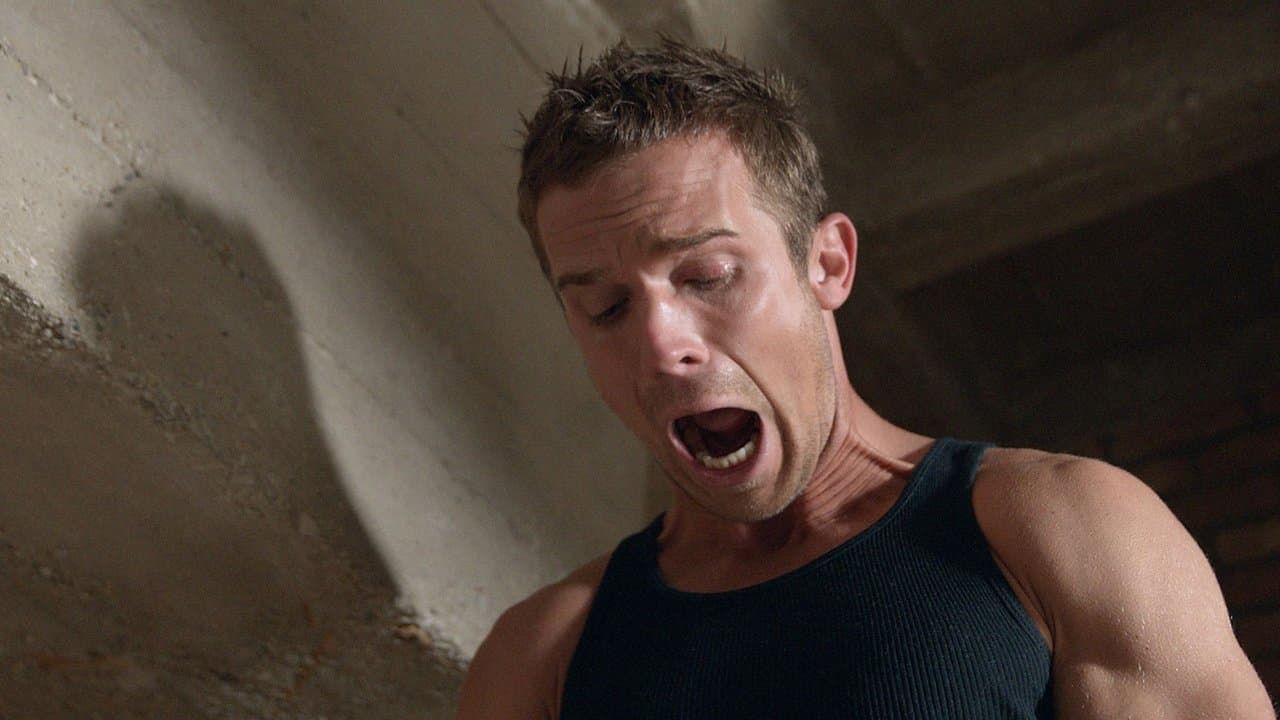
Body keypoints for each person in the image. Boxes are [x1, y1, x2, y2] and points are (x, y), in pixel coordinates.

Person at [456, 39, 1273, 718]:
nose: (661, 346)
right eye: (606, 308)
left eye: (707, 277)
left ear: (828, 263)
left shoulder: (1061, 528)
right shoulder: (543, 658)